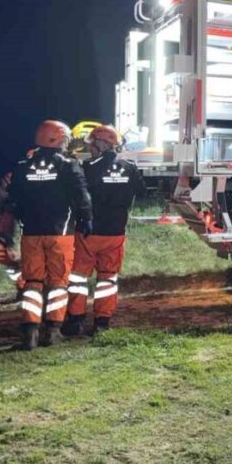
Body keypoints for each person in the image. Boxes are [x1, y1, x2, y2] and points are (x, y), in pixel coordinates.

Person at [7, 120, 93, 350]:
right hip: (60, 233)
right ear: (57, 139)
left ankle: (30, 332)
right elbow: (82, 196)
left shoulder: (23, 165)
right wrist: (86, 219)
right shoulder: (68, 165)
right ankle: (53, 330)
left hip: (31, 233)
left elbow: (13, 201)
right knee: (57, 281)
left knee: (33, 282)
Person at [63, 124, 144, 336]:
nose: (90, 149)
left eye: (92, 145)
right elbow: (140, 192)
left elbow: (76, 196)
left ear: (101, 145)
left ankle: (75, 320)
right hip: (115, 232)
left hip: (87, 232)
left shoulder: (87, 168)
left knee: (79, 278)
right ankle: (102, 322)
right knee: (108, 278)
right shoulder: (130, 167)